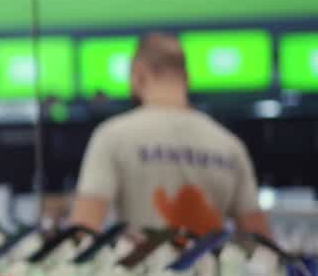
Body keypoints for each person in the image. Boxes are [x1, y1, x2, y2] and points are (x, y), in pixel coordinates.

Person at [69, 32, 270, 236]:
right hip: (209, 256)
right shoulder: (229, 145)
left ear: (138, 74)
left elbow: (84, 230)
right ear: (187, 78)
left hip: (142, 257)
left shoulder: (112, 136)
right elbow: (259, 240)